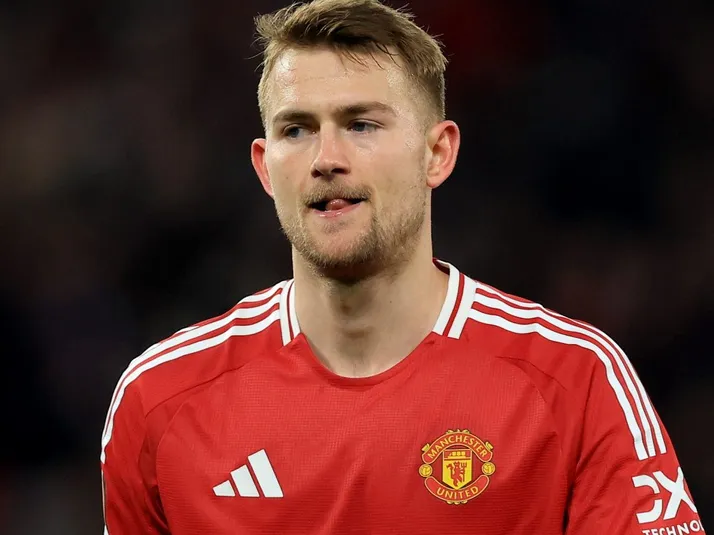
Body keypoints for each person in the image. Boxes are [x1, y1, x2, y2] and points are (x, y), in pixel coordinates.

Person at [100, 0, 704, 533]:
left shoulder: (574, 379)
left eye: (361, 124)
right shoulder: (161, 399)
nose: (326, 158)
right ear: (264, 167)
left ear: (437, 153)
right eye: (297, 130)